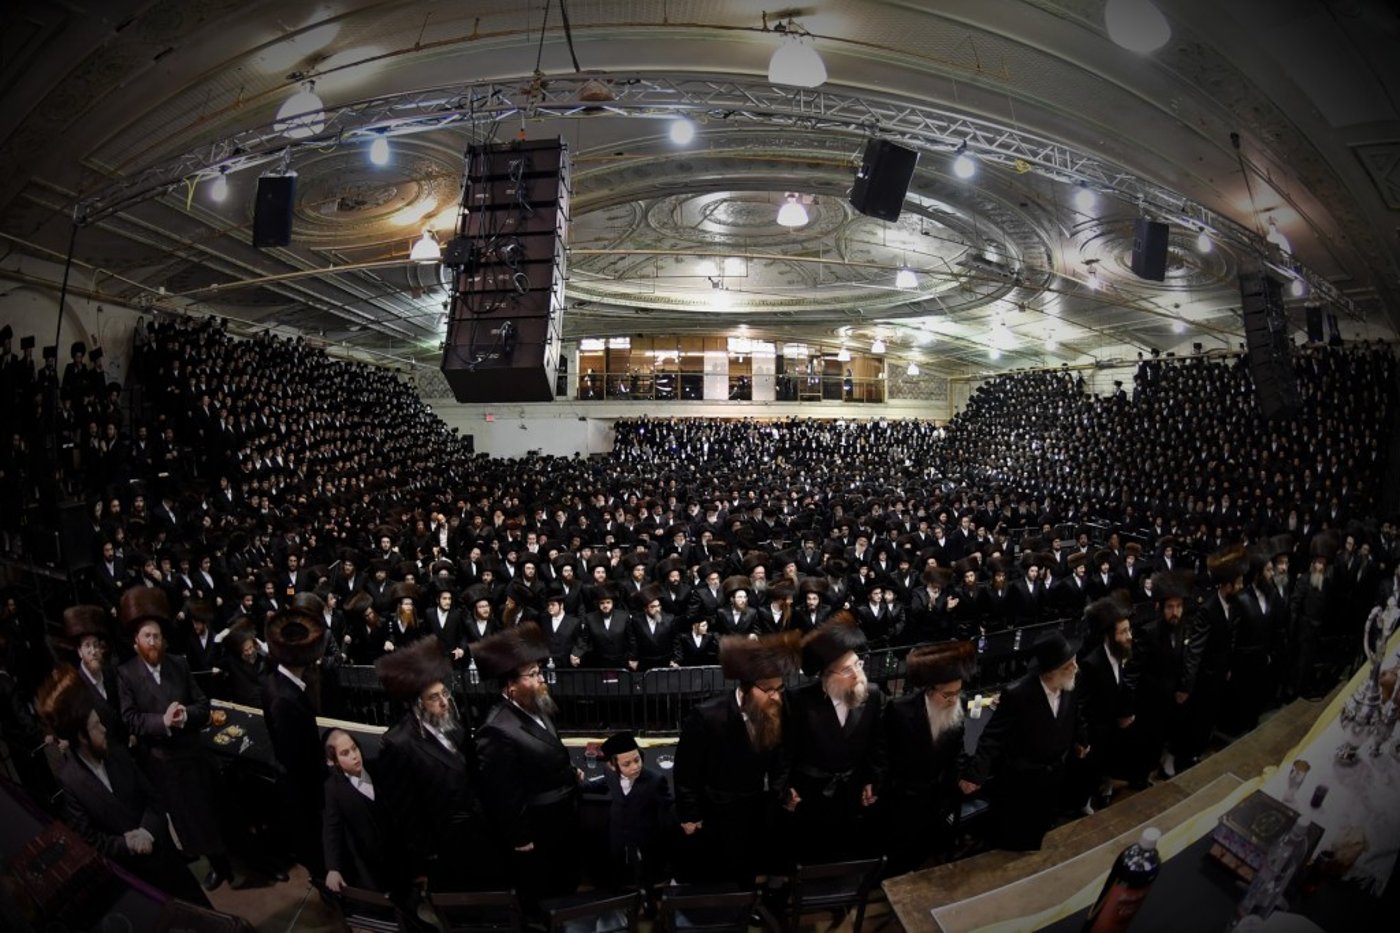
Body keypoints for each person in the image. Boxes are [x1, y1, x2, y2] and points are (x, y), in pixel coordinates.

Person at [36, 665, 210, 906]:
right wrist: (126, 844)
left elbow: (154, 798)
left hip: (165, 857)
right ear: (82, 738)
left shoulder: (116, 751)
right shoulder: (70, 780)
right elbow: (90, 839)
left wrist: (146, 832)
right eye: (96, 726)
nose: (103, 729)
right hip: (135, 880)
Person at [115, 587, 233, 889]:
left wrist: (185, 715)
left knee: (209, 813)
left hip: (193, 755)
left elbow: (203, 705)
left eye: (156, 636)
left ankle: (223, 862)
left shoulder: (178, 664)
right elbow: (130, 718)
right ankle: (209, 860)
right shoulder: (126, 674)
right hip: (162, 762)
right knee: (185, 819)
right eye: (147, 636)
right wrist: (163, 722)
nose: (153, 641)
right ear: (136, 641)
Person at [672, 630, 800, 885]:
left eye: (780, 688)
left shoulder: (779, 709)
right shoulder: (707, 716)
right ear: (746, 688)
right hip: (716, 810)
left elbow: (781, 757)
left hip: (756, 809)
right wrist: (690, 814)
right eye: (769, 690)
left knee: (747, 869)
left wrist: (782, 793)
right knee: (718, 872)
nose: (776, 696)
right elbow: (686, 773)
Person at [473, 622, 582, 910]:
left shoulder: (535, 703)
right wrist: (520, 837)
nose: (541, 679)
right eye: (533, 674)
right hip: (537, 829)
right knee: (543, 892)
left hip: (561, 817)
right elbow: (503, 793)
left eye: (539, 671)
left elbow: (547, 750)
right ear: (510, 686)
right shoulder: (496, 729)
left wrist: (569, 772)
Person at [375, 637, 493, 893]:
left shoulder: (452, 724)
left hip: (474, 831)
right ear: (417, 704)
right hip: (443, 844)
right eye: (434, 697)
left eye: (444, 693)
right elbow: (405, 812)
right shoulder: (398, 743)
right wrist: (424, 858)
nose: (444, 702)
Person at [959, 630, 1089, 852]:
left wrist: (1081, 741)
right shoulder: (1018, 694)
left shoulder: (1069, 684)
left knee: (1044, 822)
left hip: (1054, 772)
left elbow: (1075, 716)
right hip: (1023, 776)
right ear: (1051, 672)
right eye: (1069, 665)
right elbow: (993, 736)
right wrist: (975, 774)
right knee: (1016, 832)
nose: (1076, 668)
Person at [783, 615, 887, 864]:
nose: (858, 675)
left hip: (851, 788)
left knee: (846, 847)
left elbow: (877, 744)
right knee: (812, 850)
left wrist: (873, 779)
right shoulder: (798, 701)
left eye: (858, 664)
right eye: (848, 670)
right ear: (827, 676)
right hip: (811, 792)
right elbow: (785, 750)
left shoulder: (872, 695)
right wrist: (785, 789)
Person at [884, 641, 973, 875]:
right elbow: (887, 755)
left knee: (924, 848)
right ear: (930, 690)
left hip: (937, 795)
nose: (954, 700)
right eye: (947, 695)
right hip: (904, 797)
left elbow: (958, 748)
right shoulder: (900, 710)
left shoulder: (958, 704)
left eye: (958, 692)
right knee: (899, 852)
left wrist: (961, 777)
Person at [261, 603, 328, 881]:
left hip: (299, 778)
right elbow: (295, 758)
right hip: (302, 787)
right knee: (314, 842)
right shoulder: (285, 699)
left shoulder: (273, 681)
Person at [1177, 544, 1248, 769]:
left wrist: (1227, 668)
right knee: (1197, 720)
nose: (1241, 586)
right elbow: (1195, 650)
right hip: (1204, 679)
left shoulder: (1234, 606)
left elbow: (1230, 641)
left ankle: (1198, 751)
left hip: (1219, 675)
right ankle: (1187, 758)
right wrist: (1186, 686)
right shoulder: (1208, 609)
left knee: (1209, 719)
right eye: (1238, 583)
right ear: (1227, 585)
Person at [587, 730, 674, 912]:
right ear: (612, 765)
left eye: (637, 760)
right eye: (627, 764)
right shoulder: (609, 772)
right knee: (616, 867)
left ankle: (649, 904)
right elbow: (605, 784)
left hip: (643, 836)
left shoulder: (655, 781)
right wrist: (581, 785)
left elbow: (666, 810)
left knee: (643, 872)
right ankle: (617, 903)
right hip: (617, 830)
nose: (635, 767)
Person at [1074, 594, 1138, 810]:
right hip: (1094, 731)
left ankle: (1104, 789)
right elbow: (1081, 706)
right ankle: (1083, 803)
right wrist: (1082, 740)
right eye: (1123, 632)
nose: (1129, 636)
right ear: (1109, 636)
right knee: (1089, 774)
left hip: (1110, 726)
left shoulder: (1119, 653)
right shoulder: (1092, 663)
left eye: (1129, 630)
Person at [321, 728, 391, 894]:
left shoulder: (376, 769)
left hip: (394, 849)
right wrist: (333, 868)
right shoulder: (334, 789)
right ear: (333, 761)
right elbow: (332, 827)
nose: (354, 756)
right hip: (369, 861)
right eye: (345, 753)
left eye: (354, 748)